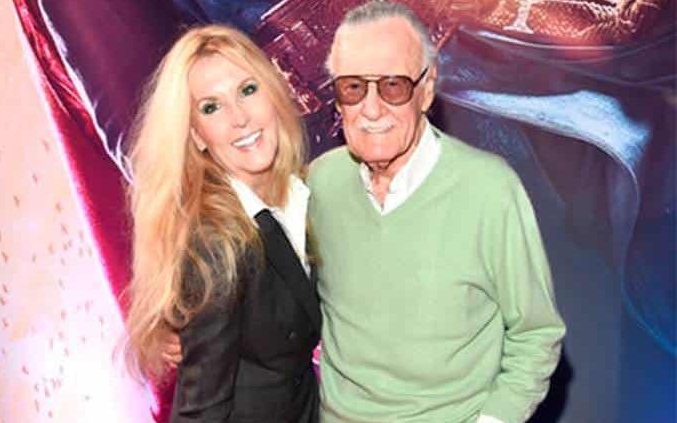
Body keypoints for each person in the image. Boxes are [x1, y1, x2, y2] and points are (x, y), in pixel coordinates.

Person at [306, 2, 566, 423]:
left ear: (426, 90)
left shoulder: (489, 189)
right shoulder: (321, 182)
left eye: (392, 86)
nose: (371, 109)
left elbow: (536, 333)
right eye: (352, 87)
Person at [123, 24, 321, 423]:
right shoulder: (217, 243)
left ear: (273, 92)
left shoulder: (301, 194)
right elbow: (202, 410)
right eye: (211, 107)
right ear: (196, 135)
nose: (240, 118)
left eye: (247, 90)